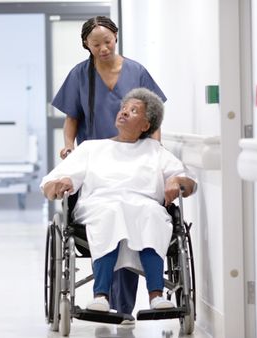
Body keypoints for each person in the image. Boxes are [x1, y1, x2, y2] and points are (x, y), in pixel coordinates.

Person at [41, 88, 197, 313]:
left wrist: (177, 181)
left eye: (133, 111)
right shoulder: (91, 148)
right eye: (123, 108)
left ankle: (156, 295)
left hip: (144, 207)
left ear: (145, 125)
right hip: (99, 206)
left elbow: (188, 182)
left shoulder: (155, 150)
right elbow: (50, 183)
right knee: (112, 212)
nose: (123, 113)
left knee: (153, 214)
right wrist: (57, 184)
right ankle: (101, 296)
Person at [51, 15, 168, 316]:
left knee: (137, 210)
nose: (103, 48)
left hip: (134, 159)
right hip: (98, 166)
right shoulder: (80, 75)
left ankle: (122, 307)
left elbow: (152, 115)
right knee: (108, 213)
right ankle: (105, 298)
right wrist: (69, 146)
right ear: (86, 46)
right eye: (95, 44)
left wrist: (153, 148)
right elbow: (72, 118)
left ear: (116, 37)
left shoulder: (136, 71)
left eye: (107, 41)